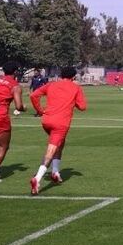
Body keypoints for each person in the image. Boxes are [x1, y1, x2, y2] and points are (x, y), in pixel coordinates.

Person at [29, 66, 87, 195]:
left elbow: (34, 95)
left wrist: (39, 111)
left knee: (60, 143)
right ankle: (37, 179)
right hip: (60, 123)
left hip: (46, 120)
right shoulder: (75, 87)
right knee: (51, 150)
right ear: (73, 77)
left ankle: (55, 172)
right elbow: (83, 107)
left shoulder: (51, 85)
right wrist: (74, 102)